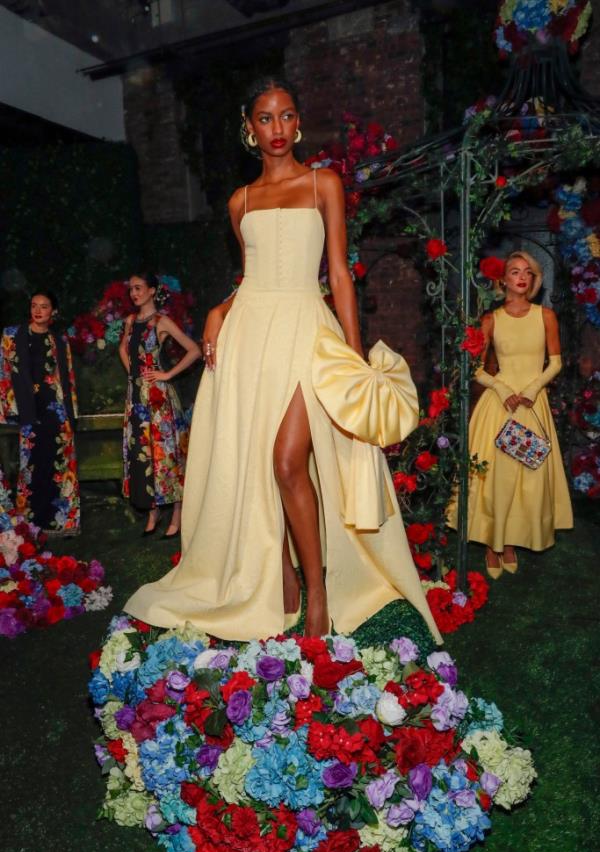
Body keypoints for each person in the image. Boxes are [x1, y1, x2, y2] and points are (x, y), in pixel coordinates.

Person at [125, 76, 442, 644]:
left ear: (298, 122)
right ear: (249, 128)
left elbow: (338, 272)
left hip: (308, 333)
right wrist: (221, 307)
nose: (278, 129)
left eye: (287, 116)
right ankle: (284, 577)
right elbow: (255, 277)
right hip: (250, 336)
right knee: (255, 460)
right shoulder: (238, 201)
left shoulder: (323, 183)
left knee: (287, 458)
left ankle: (318, 589)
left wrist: (352, 354)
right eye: (266, 119)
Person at [448, 250, 573, 575]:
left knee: (528, 473)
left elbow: (556, 362)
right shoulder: (491, 320)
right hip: (500, 406)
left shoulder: (545, 316)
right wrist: (503, 390)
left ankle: (513, 540)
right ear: (503, 281)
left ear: (533, 279)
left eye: (527, 272)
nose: (521, 276)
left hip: (532, 405)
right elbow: (474, 368)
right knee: (499, 477)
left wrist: (532, 390)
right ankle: (493, 545)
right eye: (514, 271)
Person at [119, 271, 201, 538]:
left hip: (158, 399)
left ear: (152, 290)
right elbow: (122, 349)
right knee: (142, 453)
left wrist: (165, 374)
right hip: (136, 398)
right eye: (131, 289)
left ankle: (177, 512)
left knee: (166, 455)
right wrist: (134, 373)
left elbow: (195, 350)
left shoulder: (161, 321)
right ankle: (153, 512)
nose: (134, 293)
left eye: (139, 288)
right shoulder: (131, 320)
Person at [0, 291, 80, 534]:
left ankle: (61, 524)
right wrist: (9, 407)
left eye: (44, 306)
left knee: (58, 467)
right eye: (34, 306)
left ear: (53, 312)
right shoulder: (11, 336)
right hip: (29, 411)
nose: (38, 310)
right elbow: (4, 372)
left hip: (55, 412)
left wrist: (71, 412)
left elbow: (68, 380)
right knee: (32, 468)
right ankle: (31, 526)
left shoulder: (59, 341)